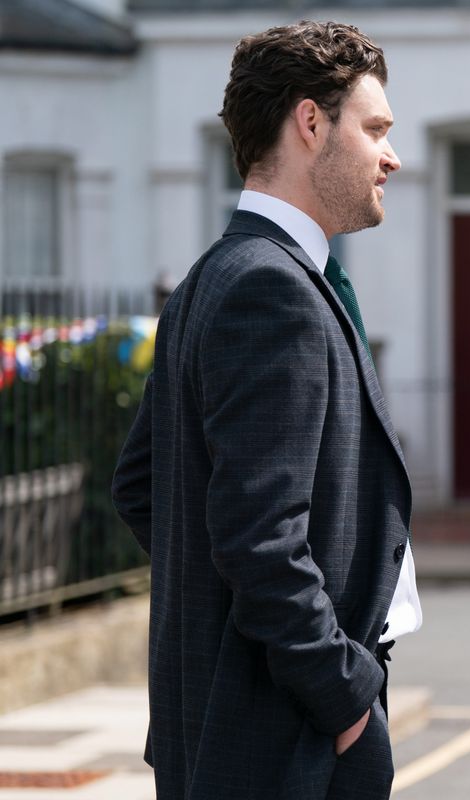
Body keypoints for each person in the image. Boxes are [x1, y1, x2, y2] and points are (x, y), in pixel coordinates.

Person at [112, 20, 419, 799]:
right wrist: (344, 698)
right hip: (285, 743)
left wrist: (219, 618)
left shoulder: (213, 276)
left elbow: (141, 487)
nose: (392, 156)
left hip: (237, 730)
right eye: (375, 129)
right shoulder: (271, 289)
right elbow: (260, 540)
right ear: (310, 123)